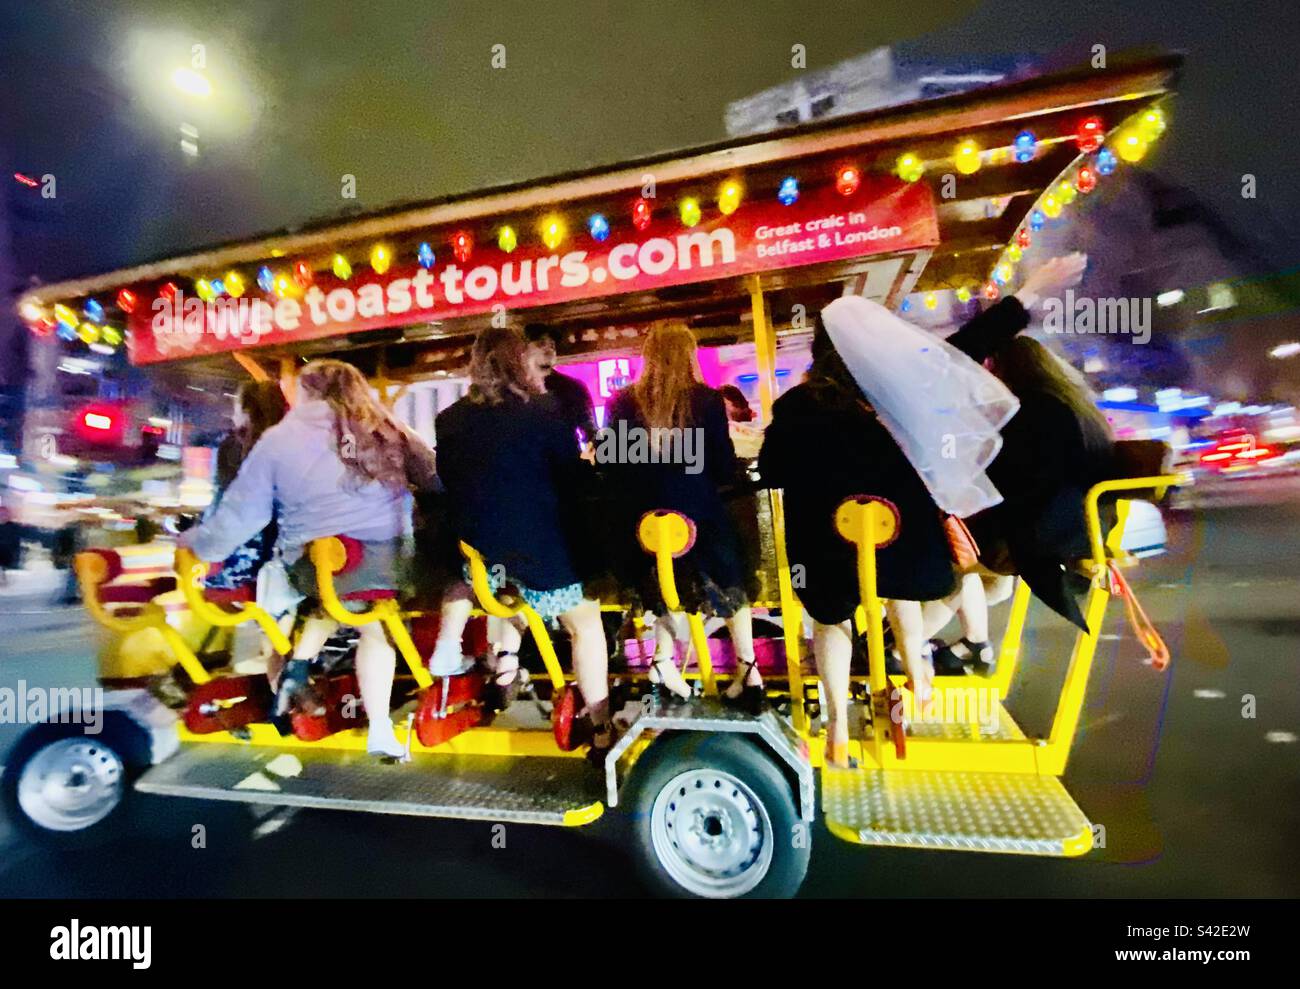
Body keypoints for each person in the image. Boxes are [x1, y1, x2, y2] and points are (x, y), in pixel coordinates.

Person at [759, 255, 1086, 766]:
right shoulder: (905, 393)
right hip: (910, 563)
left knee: (830, 622)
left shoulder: (796, 407)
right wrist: (1030, 293)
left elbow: (772, 471)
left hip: (823, 562)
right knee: (902, 594)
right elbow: (971, 346)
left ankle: (839, 729)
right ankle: (918, 685)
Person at [179, 359, 437, 758]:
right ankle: (381, 728)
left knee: (326, 593)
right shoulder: (388, 428)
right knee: (373, 627)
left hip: (311, 566)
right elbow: (432, 478)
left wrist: (199, 545)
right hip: (381, 562)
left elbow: (242, 514)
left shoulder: (280, 439)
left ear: (307, 392)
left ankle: (295, 670)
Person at [429, 325, 615, 757]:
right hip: (537, 549)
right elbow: (569, 478)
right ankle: (601, 725)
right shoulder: (546, 410)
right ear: (520, 360)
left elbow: (449, 484)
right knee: (584, 624)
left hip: (479, 555)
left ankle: (507, 667)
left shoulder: (449, 419)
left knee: (507, 588)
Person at [926, 334, 1118, 670]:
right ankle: (970, 645)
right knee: (976, 568)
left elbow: (1008, 474)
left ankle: (901, 648)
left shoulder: (1033, 410)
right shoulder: (1066, 403)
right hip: (1075, 520)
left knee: (951, 561)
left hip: (1052, 527)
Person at [603, 323, 761, 707]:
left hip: (644, 527)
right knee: (733, 572)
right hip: (700, 521)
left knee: (657, 574)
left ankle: (662, 660)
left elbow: (612, 465)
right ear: (688, 355)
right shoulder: (706, 400)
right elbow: (723, 468)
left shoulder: (622, 403)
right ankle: (748, 667)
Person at [523, 323, 599, 448]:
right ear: (524, 350)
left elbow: (591, 432)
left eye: (552, 346)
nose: (549, 350)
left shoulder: (573, 388)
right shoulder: (515, 389)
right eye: (540, 344)